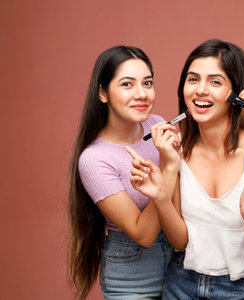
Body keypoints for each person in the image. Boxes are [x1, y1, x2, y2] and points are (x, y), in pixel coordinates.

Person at [128, 39, 244, 299]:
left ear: (235, 95)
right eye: (193, 79)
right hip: (181, 284)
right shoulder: (177, 152)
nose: (201, 91)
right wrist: (160, 197)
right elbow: (182, 243)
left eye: (215, 82)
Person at [67, 46, 172, 300]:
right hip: (132, 276)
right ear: (103, 93)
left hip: (178, 263)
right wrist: (169, 167)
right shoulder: (94, 159)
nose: (142, 94)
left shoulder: (157, 124)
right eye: (127, 84)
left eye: (147, 83)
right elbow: (144, 235)